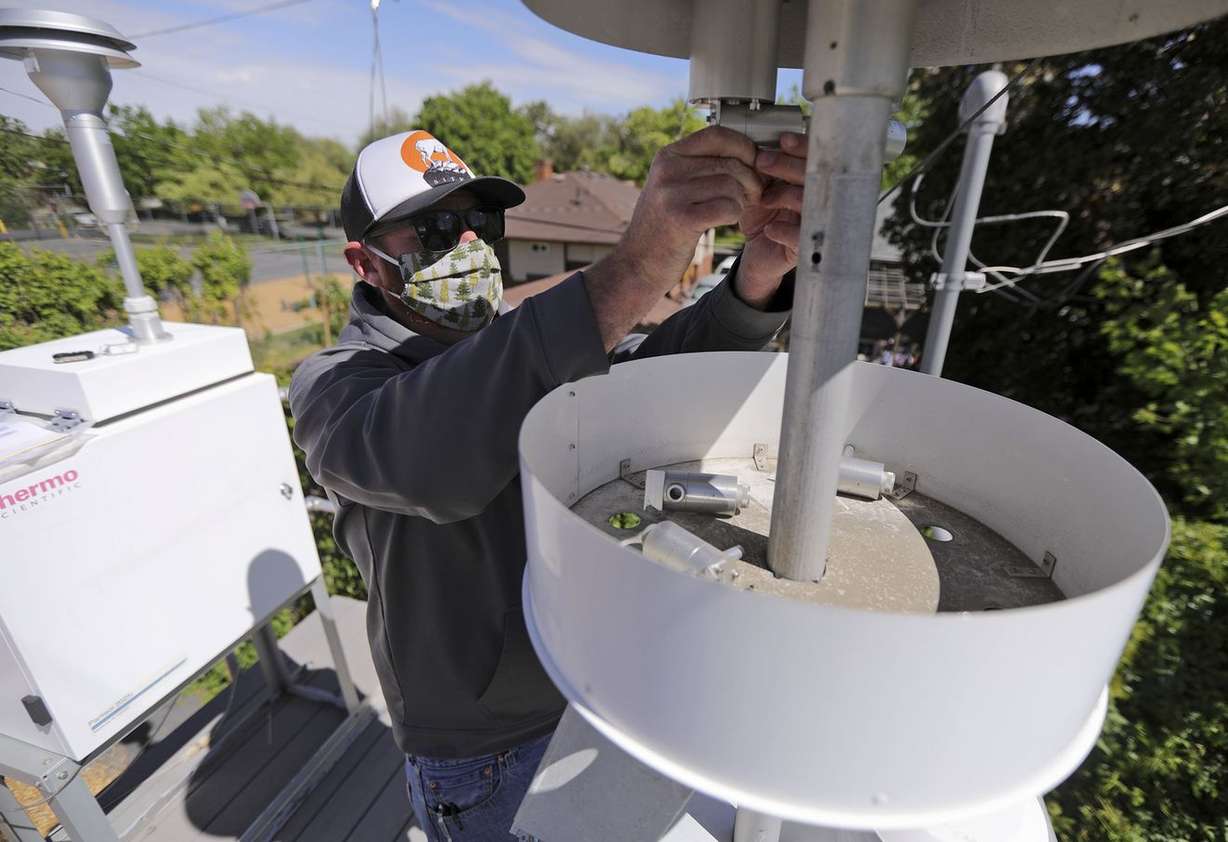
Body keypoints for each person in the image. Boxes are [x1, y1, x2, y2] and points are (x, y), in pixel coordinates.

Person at [289, 125, 806, 840]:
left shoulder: (509, 344)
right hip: (487, 753)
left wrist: (754, 282)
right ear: (365, 262)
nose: (469, 246)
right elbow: (425, 459)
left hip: (591, 686)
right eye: (436, 228)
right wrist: (632, 268)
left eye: (480, 223)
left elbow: (644, 384)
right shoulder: (337, 386)